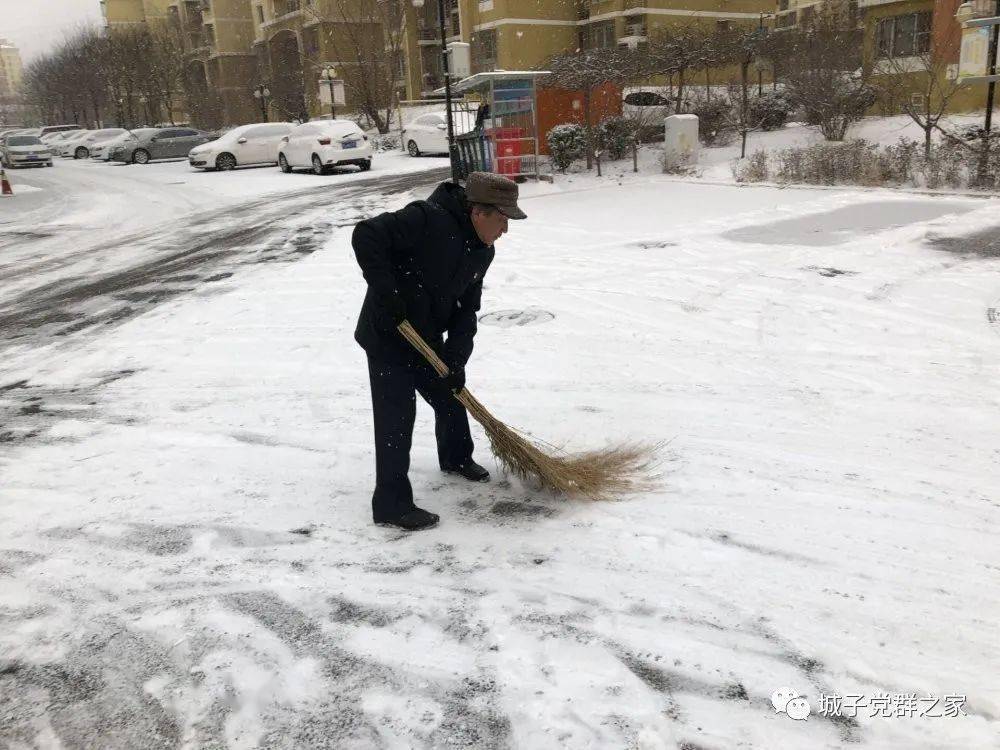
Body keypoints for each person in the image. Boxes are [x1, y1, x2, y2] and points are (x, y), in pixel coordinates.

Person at [352, 172, 527, 531]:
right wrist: (387, 293)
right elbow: (366, 234)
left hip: (426, 337)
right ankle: (391, 504)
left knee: (451, 394)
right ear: (479, 212)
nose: (505, 230)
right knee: (397, 418)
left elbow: (467, 307)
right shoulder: (427, 219)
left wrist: (457, 356)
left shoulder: (483, 250)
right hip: (389, 333)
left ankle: (456, 458)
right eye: (503, 219)